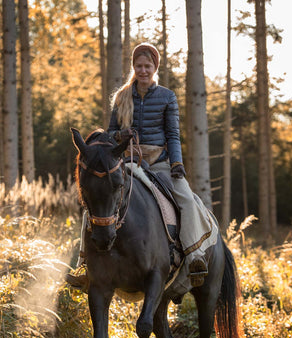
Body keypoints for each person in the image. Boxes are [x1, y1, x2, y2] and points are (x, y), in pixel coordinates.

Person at [67, 42, 217, 290]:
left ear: (155, 67)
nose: (143, 70)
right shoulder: (121, 97)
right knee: (97, 200)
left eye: (148, 66)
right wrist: (121, 135)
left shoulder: (167, 96)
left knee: (188, 200)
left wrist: (177, 162)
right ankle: (85, 264)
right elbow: (110, 133)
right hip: (125, 162)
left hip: (158, 163)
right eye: (139, 66)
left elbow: (173, 135)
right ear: (133, 67)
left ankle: (194, 256)